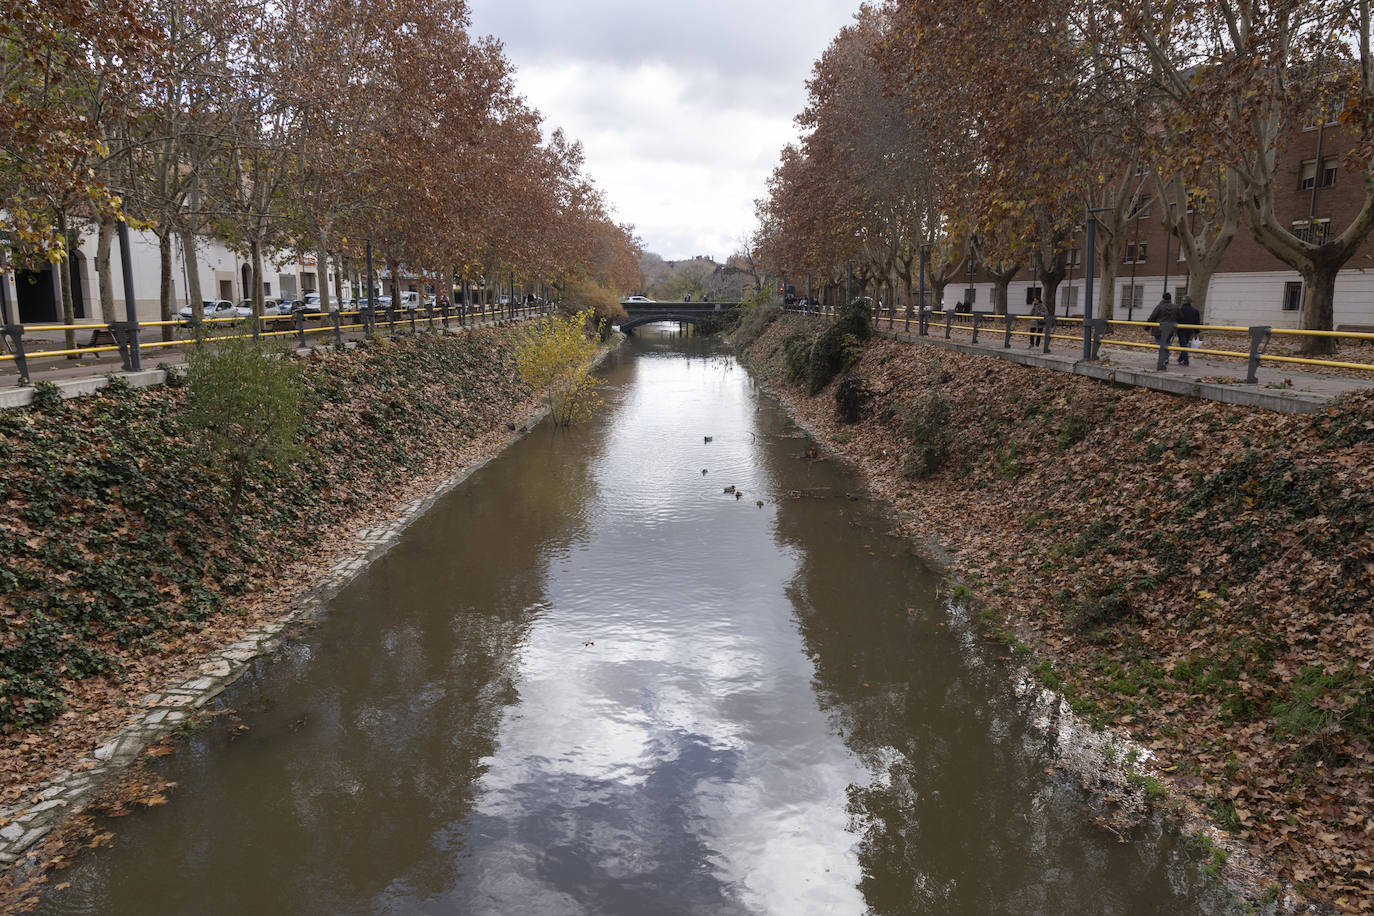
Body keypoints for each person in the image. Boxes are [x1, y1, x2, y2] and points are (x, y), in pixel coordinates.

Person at [1146, 292, 1181, 363]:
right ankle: (1166, 358)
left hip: (1159, 329)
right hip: (1170, 329)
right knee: (1167, 343)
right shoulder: (1176, 307)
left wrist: (1147, 327)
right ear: (1170, 298)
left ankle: (1163, 359)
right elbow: (1180, 317)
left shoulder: (1159, 306)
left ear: (1163, 298)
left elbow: (1152, 317)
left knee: (1161, 344)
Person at [1177, 294, 1200, 366]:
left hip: (1181, 330)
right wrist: (1196, 332)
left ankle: (1185, 361)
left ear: (1184, 301)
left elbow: (1177, 319)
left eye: (1182, 300)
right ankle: (1180, 359)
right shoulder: (1195, 311)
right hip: (1190, 330)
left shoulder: (1180, 309)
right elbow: (1197, 322)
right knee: (1184, 344)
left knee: (1183, 345)